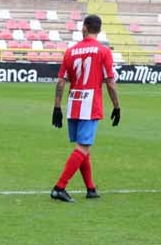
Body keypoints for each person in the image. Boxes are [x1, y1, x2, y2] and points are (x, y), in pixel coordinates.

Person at [50, 14, 121, 202]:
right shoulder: (103, 52)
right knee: (82, 147)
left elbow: (60, 81)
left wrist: (57, 107)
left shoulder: (70, 51)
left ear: (85, 27)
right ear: (99, 29)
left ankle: (90, 188)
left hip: (74, 102)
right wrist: (117, 106)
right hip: (90, 104)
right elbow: (110, 83)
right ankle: (59, 187)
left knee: (83, 148)